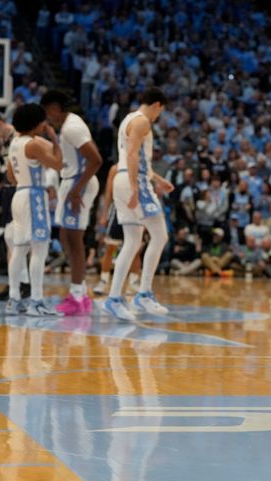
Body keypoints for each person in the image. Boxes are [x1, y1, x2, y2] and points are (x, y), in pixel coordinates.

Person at [104, 87, 174, 321]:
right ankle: (143, 293)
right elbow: (133, 154)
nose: (158, 117)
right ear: (157, 105)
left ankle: (114, 298)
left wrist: (159, 180)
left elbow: (133, 158)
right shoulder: (143, 121)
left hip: (123, 178)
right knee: (160, 235)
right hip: (134, 182)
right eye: (160, 112)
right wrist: (136, 187)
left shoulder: (128, 119)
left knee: (132, 241)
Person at [41, 90, 103, 315]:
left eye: (48, 111)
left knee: (75, 242)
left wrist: (77, 190)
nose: (47, 116)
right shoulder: (70, 126)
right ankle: (82, 292)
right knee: (65, 237)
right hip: (72, 181)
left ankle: (77, 296)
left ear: (56, 108)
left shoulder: (72, 127)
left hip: (78, 183)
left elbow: (96, 159)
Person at [4, 103, 64, 316]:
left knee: (19, 249)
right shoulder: (33, 144)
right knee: (39, 249)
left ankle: (14, 299)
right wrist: (54, 138)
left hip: (19, 194)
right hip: (34, 196)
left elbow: (10, 176)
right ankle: (36, 301)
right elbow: (58, 164)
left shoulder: (14, 143)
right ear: (36, 123)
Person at [0, 111, 30, 302]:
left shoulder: (18, 137)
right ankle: (19, 283)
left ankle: (20, 284)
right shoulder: (4, 141)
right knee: (10, 238)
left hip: (21, 188)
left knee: (18, 239)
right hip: (9, 190)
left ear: (0, 123)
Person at [93, 164, 141, 296]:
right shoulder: (115, 168)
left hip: (136, 210)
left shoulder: (140, 164)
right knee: (110, 248)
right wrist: (104, 214)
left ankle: (133, 282)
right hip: (118, 209)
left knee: (136, 249)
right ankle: (104, 280)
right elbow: (108, 193)